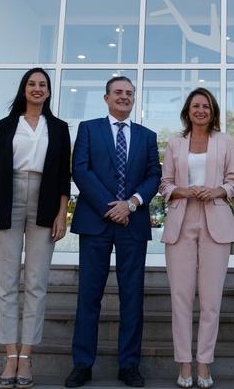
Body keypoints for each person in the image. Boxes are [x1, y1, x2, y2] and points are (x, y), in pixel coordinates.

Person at [64, 76, 161, 388]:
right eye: (118, 92)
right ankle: (82, 364)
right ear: (106, 98)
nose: (124, 97)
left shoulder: (147, 136)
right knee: (89, 295)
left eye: (129, 93)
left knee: (131, 297)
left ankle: (129, 365)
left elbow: (154, 175)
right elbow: (80, 169)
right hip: (96, 221)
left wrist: (130, 204)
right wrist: (112, 206)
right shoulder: (89, 129)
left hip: (133, 222)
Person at [0, 67, 71, 389]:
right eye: (32, 84)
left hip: (45, 201)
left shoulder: (59, 128)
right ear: (24, 89)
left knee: (36, 282)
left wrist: (62, 214)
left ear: (48, 92)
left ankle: (26, 356)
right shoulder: (6, 126)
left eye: (42, 85)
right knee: (6, 282)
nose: (37, 89)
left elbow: (63, 176)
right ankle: (9, 355)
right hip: (8, 198)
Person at [159, 88, 234, 389]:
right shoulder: (175, 143)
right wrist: (183, 190)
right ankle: (183, 363)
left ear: (213, 111)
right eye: (196, 106)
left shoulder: (225, 141)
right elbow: (165, 184)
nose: (201, 110)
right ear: (188, 111)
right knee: (180, 298)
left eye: (206, 106)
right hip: (181, 219)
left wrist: (217, 190)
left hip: (216, 221)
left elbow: (233, 181)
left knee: (210, 301)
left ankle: (204, 363)